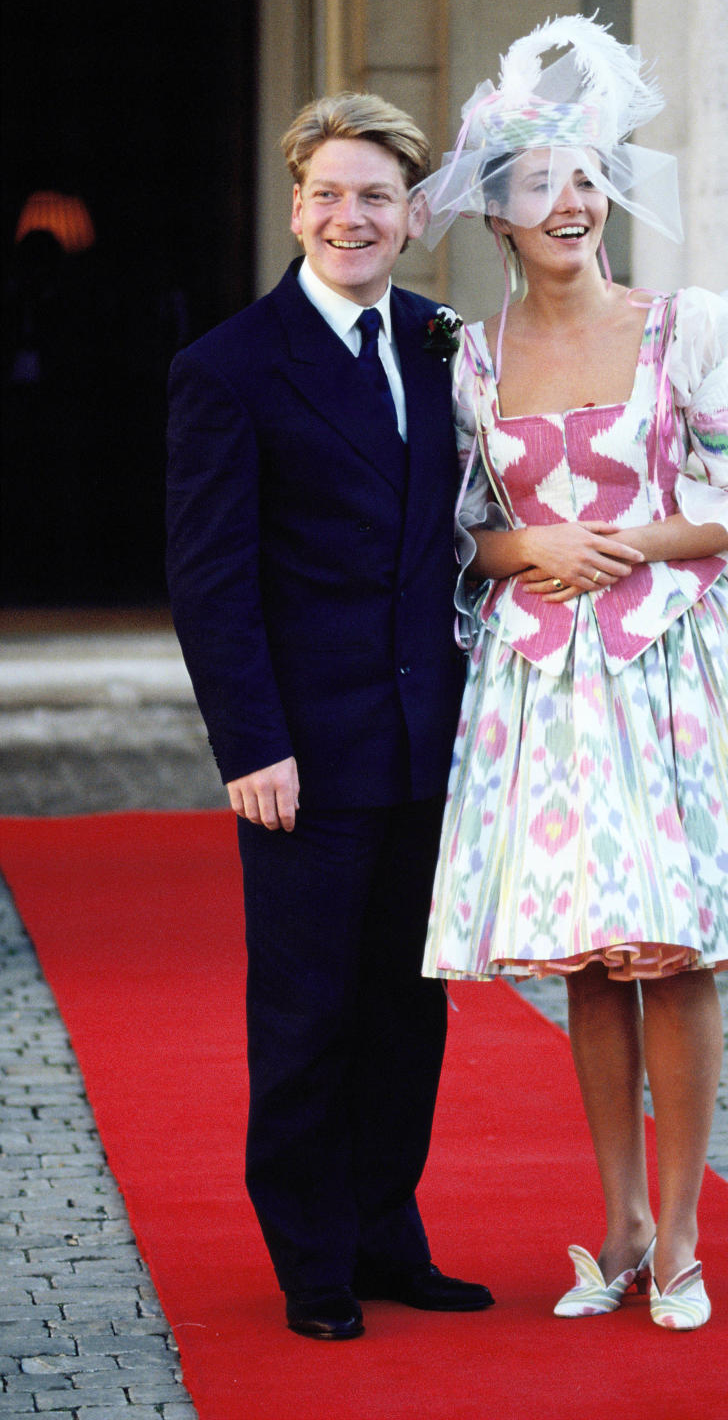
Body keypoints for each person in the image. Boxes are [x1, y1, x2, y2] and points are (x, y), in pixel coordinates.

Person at [413, 16, 728, 1332]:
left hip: (672, 670)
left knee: (671, 956)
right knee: (589, 958)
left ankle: (680, 1239)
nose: (568, 203)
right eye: (537, 185)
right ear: (497, 219)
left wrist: (634, 538)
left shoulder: (689, 330)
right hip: (547, 692)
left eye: (583, 177)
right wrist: (530, 543)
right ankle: (615, 1225)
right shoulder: (473, 365)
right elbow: (461, 533)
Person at [165, 92, 492, 1341]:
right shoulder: (229, 367)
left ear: (412, 217)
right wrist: (252, 744)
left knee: (410, 1009)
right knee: (308, 1014)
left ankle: (384, 1231)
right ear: (295, 203)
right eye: (328, 194)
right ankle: (311, 1257)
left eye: (375, 197)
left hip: (430, 745)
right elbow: (212, 579)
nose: (350, 217)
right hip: (304, 755)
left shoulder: (442, 340)